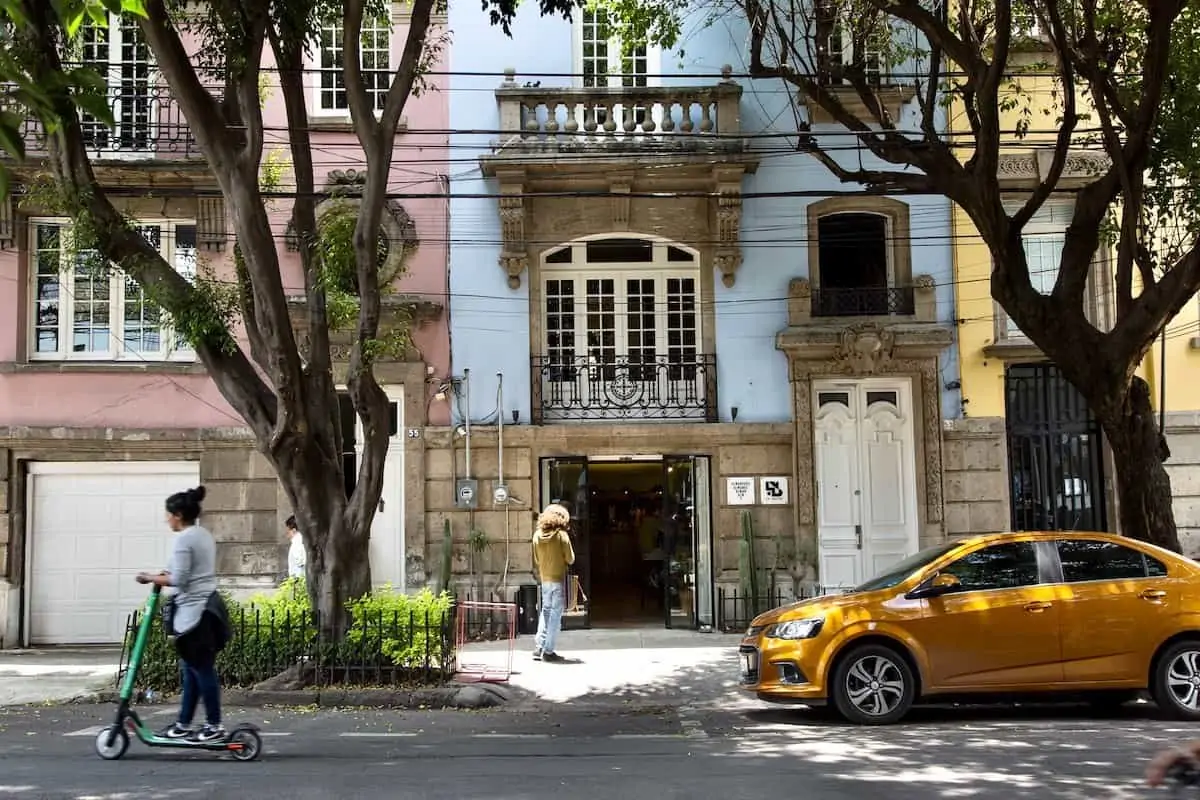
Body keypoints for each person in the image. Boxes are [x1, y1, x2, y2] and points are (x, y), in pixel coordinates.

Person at [136, 485, 226, 743]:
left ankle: (214, 725)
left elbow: (182, 579)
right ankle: (184, 723)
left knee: (202, 670)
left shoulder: (184, 539)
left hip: (193, 615)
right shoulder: (203, 534)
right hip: (206, 608)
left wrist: (150, 577)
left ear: (177, 515)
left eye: (168, 515)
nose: (166, 520)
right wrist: (162, 575)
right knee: (191, 670)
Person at [531, 503, 575, 663]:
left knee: (546, 611)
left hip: (545, 580)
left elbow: (536, 559)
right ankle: (548, 650)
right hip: (557, 579)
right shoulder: (562, 536)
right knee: (556, 615)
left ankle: (539, 647)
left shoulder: (536, 536)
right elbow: (571, 559)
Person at [285, 515, 306, 581]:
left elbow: (300, 561)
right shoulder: (302, 539)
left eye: (288, 529)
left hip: (298, 577)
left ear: (294, 530)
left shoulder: (297, 541)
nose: (287, 532)